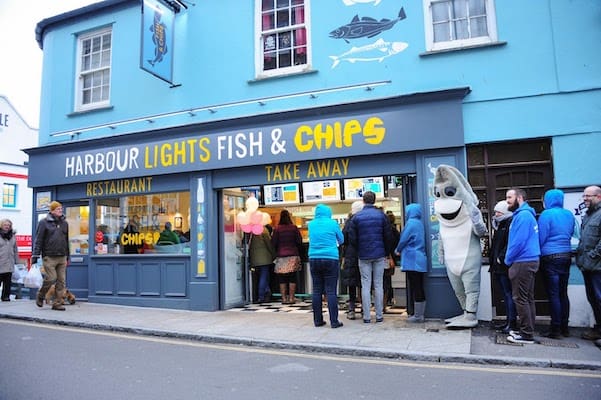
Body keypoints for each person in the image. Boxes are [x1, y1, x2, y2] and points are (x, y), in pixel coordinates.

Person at [348, 191, 395, 323]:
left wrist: (359, 250)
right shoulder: (381, 216)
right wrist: (386, 252)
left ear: (363, 201)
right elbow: (388, 236)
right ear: (374, 201)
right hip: (379, 255)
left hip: (363, 256)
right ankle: (379, 315)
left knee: (365, 285)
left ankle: (367, 316)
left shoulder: (357, 217)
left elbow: (352, 238)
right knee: (378, 284)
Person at [505, 188, 541, 344]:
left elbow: (517, 242)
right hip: (529, 260)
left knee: (520, 299)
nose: (507, 200)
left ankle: (526, 334)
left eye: (509, 197)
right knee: (527, 298)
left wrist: (508, 260)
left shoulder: (523, 216)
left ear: (519, 198)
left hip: (522, 261)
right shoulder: (526, 215)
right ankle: (528, 330)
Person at [538, 189, 576, 339]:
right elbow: (572, 232)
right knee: (563, 293)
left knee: (553, 294)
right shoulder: (569, 214)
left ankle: (555, 329)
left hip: (550, 256)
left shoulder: (546, 215)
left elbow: (541, 237)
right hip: (566, 255)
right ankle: (565, 328)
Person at [308, 203, 344, 328]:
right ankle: (334, 321)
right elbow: (342, 239)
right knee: (331, 291)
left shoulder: (311, 224)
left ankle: (318, 320)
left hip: (314, 258)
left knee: (317, 290)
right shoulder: (333, 223)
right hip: (330, 258)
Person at [32, 201, 70, 311]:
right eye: (58, 209)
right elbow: (38, 239)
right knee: (51, 278)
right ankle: (41, 294)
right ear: (52, 210)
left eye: (61, 209)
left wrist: (68, 255)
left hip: (62, 255)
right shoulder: (43, 223)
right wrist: (35, 254)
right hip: (49, 256)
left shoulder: (65, 223)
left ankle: (57, 303)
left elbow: (66, 240)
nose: (60, 211)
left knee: (61, 281)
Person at [576, 185, 601, 345]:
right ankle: (598, 329)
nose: (585, 199)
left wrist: (593, 255)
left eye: (588, 196)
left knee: (599, 299)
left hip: (598, 266)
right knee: (593, 299)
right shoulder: (588, 215)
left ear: (598, 197)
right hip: (587, 266)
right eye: (584, 196)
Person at [394, 204, 428, 322]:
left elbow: (403, 239)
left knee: (415, 286)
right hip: (420, 258)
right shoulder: (419, 223)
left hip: (412, 259)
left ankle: (418, 316)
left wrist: (397, 249)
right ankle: (420, 314)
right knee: (419, 286)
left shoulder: (411, 223)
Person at [488, 200, 517, 334]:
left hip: (503, 265)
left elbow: (509, 243)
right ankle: (508, 321)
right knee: (506, 295)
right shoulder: (500, 224)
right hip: (498, 266)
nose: (496, 214)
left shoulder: (509, 223)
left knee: (508, 294)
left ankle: (512, 322)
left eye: (498, 212)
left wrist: (500, 258)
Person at [271, 209, 303, 304]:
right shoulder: (294, 228)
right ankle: (292, 298)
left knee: (282, 278)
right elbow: (299, 241)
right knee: (292, 277)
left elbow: (273, 242)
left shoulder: (277, 229)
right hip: (293, 255)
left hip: (281, 256)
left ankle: (284, 299)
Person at [342, 201, 363, 320]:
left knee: (351, 283)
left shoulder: (349, 222)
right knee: (364, 282)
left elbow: (343, 238)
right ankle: (364, 308)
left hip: (350, 255)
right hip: (364, 253)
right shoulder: (364, 221)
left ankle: (351, 309)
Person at [249, 226, 275, 303]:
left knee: (261, 276)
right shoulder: (263, 230)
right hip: (264, 257)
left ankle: (266, 292)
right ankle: (262, 296)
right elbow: (269, 243)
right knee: (264, 276)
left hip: (254, 258)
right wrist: (274, 254)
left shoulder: (251, 230)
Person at [0, 219, 19, 302]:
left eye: (8, 225)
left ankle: (5, 296)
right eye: (5, 225)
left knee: (8, 281)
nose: (7, 226)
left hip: (9, 261)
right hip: (1, 261)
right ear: (1, 225)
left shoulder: (12, 236)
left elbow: (15, 249)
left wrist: (16, 260)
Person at [384, 210, 399, 308]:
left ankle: (385, 302)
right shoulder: (394, 230)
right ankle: (389, 298)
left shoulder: (384, 230)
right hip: (392, 257)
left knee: (384, 280)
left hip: (386, 257)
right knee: (390, 279)